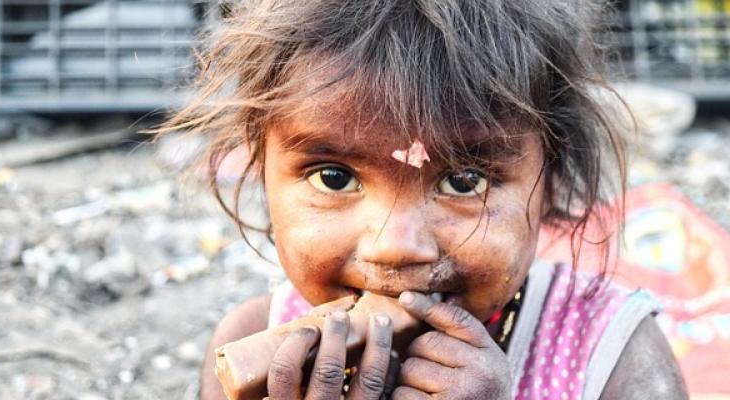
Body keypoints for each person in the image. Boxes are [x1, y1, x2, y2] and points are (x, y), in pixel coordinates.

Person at [164, 0, 688, 398]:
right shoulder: (254, 348)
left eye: (464, 181)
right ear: (264, 171)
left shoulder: (612, 355)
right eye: (334, 178)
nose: (395, 247)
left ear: (552, 180)